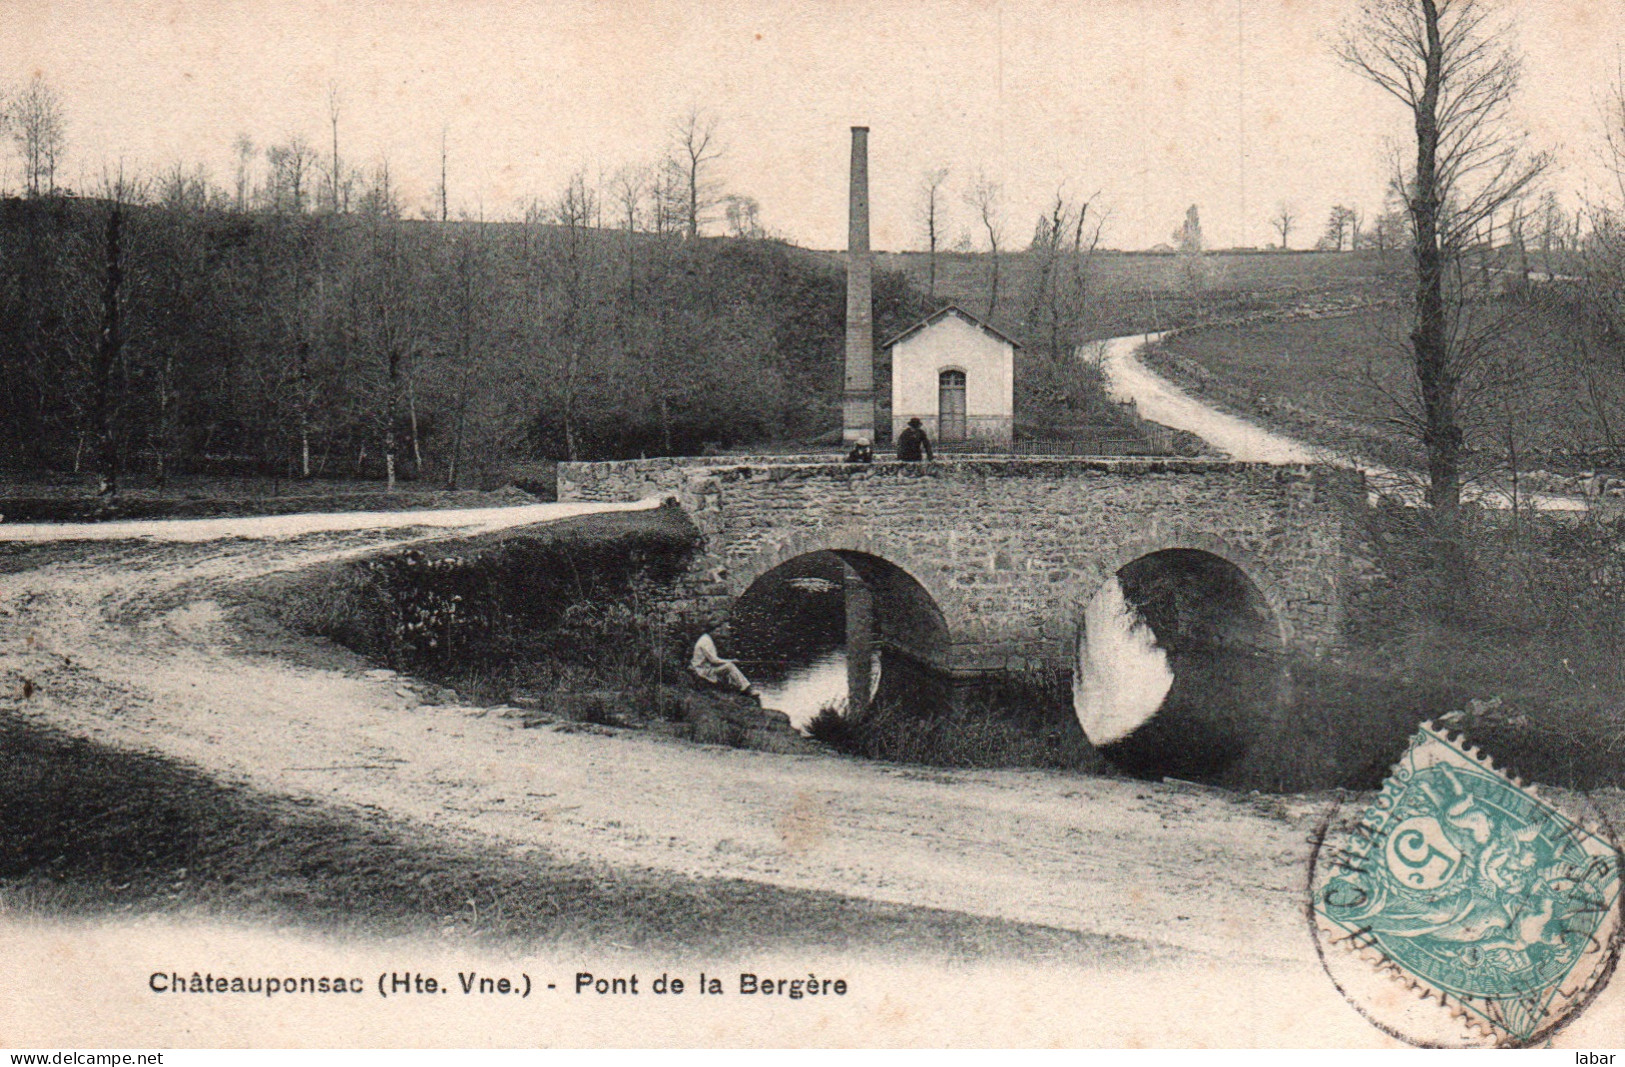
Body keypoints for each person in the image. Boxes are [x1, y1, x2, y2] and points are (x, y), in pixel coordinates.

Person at [690, 627, 753, 694]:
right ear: (710, 631)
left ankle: (738, 687)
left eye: (719, 632)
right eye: (716, 631)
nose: (718, 634)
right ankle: (746, 688)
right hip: (702, 670)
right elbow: (714, 660)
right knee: (729, 666)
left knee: (727, 667)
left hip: (704, 667)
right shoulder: (705, 642)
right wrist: (731, 661)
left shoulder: (706, 638)